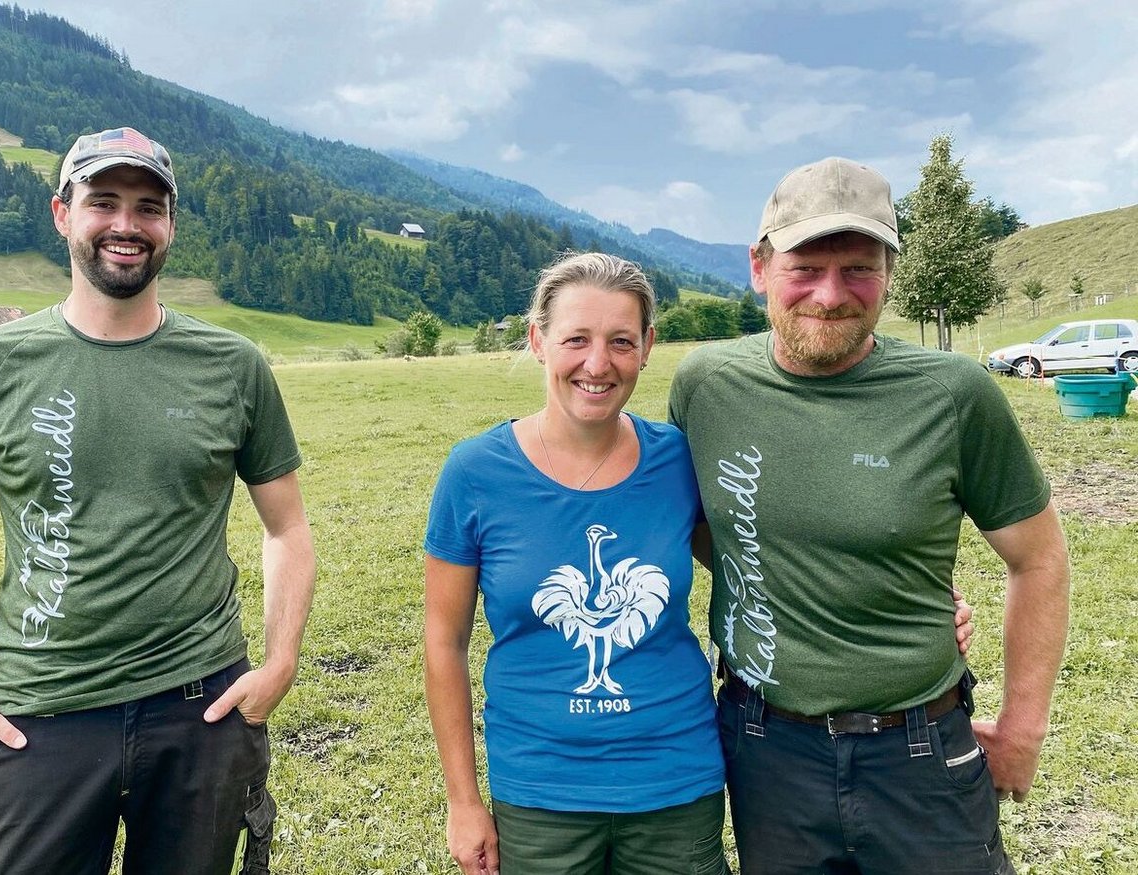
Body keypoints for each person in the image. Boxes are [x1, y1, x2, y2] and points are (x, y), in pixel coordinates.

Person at [0, 126, 316, 874]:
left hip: (203, 708)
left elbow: (286, 527)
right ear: (63, 213)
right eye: (104, 202)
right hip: (41, 717)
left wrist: (279, 663)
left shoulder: (234, 365)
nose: (127, 225)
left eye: (149, 207)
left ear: (171, 227)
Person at [669, 156, 1070, 874]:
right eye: (805, 267)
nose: (830, 294)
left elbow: (1037, 557)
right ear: (758, 267)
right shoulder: (706, 386)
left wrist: (1023, 727)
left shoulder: (954, 393)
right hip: (764, 747)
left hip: (921, 751)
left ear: (889, 273)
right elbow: (708, 527)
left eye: (858, 267)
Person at [425, 252, 731, 875]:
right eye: (576, 339)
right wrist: (462, 800)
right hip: (540, 790)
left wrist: (905, 603)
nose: (598, 364)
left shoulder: (679, 461)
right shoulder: (475, 473)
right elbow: (443, 640)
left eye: (621, 341)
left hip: (675, 779)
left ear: (647, 346)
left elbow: (755, 567)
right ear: (538, 341)